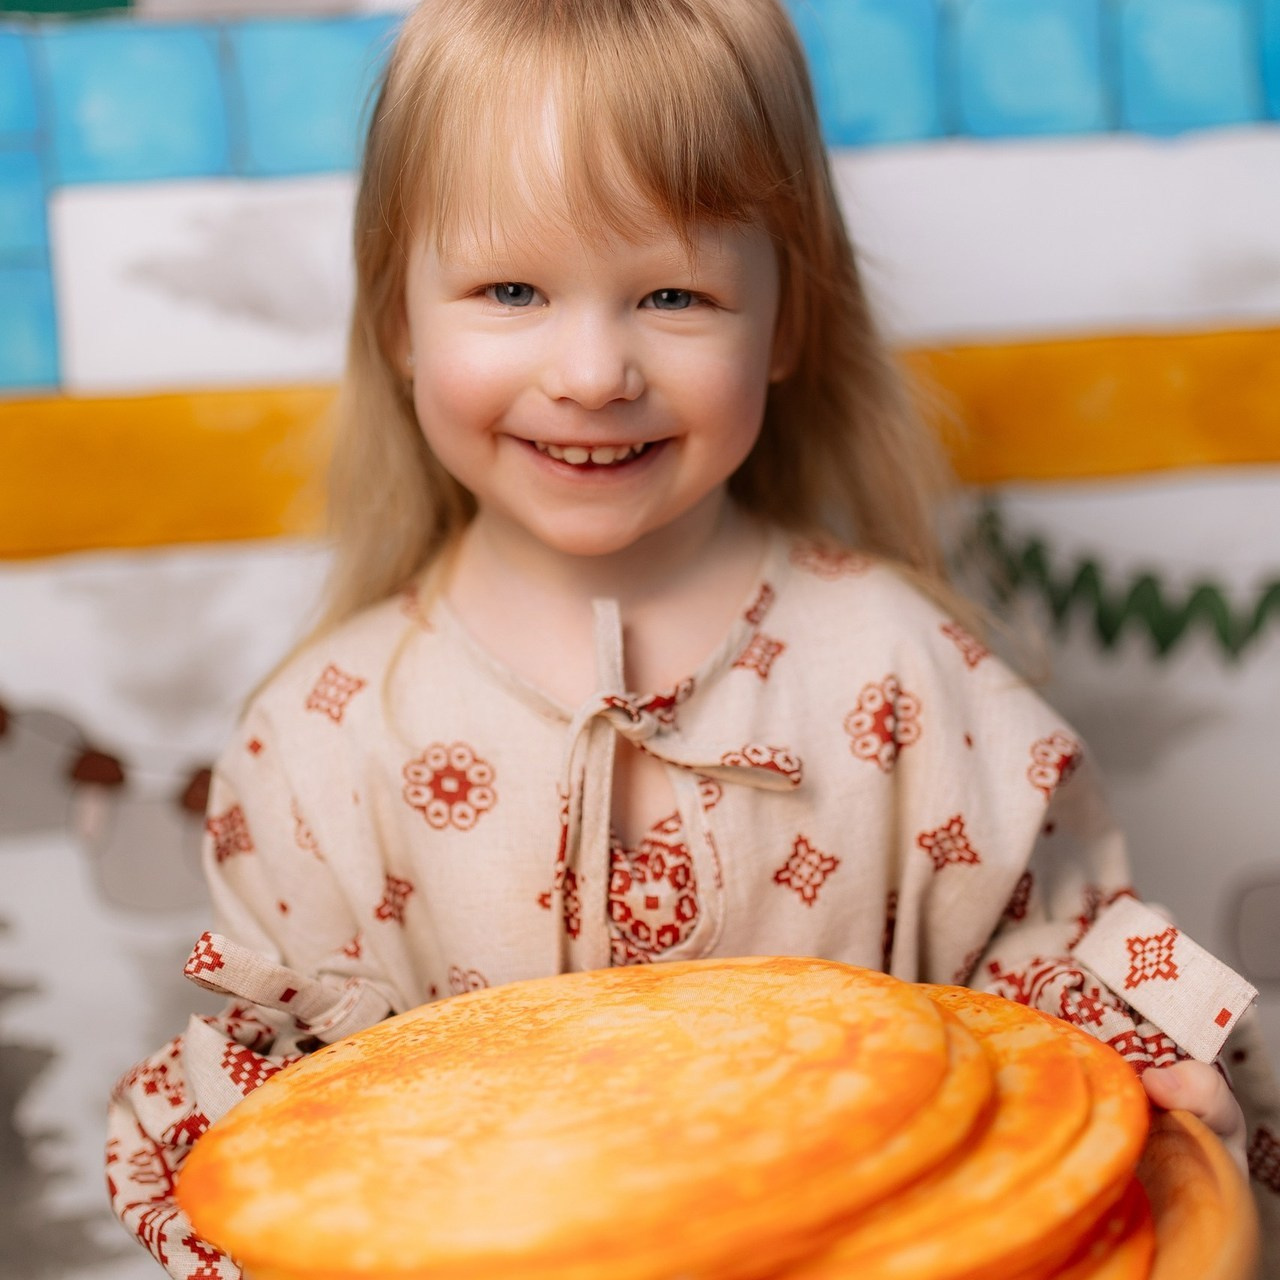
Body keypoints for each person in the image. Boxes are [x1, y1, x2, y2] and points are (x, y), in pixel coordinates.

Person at [107, 1, 1272, 1276]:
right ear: (396, 317)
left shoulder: (906, 670)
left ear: (786, 321)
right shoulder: (319, 736)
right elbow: (297, 1157)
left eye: (672, 291)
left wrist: (1141, 1067)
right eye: (510, 289)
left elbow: (1048, 979)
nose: (595, 370)